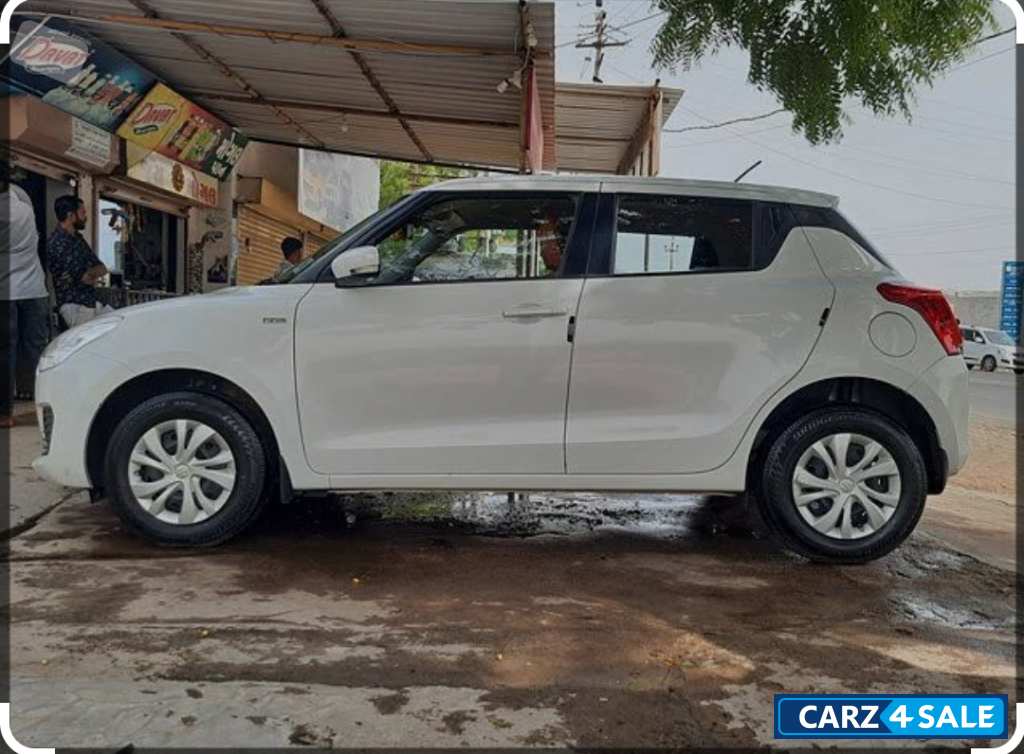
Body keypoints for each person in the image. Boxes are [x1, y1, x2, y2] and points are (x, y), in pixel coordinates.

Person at [1, 170, 50, 428]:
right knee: (38, 350)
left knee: (5, 352)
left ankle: (5, 414)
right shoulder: (21, 197)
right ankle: (45, 405)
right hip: (34, 288)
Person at [47, 196, 113, 328]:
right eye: (82, 213)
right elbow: (84, 277)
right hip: (75, 305)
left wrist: (91, 273)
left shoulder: (78, 239)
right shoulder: (56, 243)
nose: (86, 217)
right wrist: (91, 273)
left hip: (91, 302)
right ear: (70, 215)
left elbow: (102, 268)